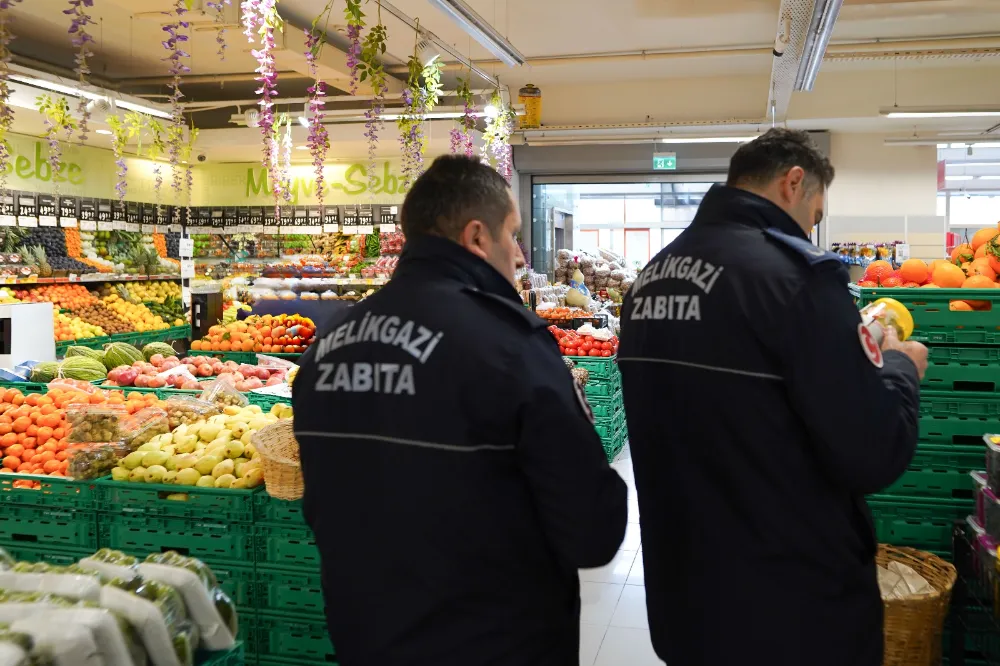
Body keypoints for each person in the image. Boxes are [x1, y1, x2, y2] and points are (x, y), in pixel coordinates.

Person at [292, 155, 627, 666]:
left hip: (365, 634)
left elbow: (320, 503)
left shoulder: (330, 343)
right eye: (512, 235)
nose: (519, 255)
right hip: (495, 640)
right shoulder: (511, 345)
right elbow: (592, 531)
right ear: (476, 237)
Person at [618, 128, 927, 666]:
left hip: (685, 600)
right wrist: (901, 367)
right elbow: (874, 450)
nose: (812, 228)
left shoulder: (649, 279)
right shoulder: (797, 279)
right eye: (815, 214)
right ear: (793, 183)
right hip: (790, 609)